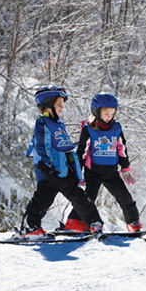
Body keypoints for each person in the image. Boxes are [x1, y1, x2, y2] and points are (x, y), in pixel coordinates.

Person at [19, 86, 104, 238]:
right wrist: (47, 167)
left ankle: (92, 222)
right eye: (59, 103)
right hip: (51, 172)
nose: (61, 107)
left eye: (62, 104)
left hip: (63, 171)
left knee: (78, 197)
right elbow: (42, 145)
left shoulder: (59, 124)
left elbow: (65, 148)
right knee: (43, 200)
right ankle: (30, 227)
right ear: (48, 103)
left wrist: (73, 167)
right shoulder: (43, 123)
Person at [62, 92, 143, 233]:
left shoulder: (116, 128)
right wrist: (77, 172)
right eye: (106, 113)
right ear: (96, 111)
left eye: (112, 113)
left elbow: (121, 148)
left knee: (125, 197)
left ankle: (133, 222)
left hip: (111, 172)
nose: (109, 116)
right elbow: (82, 151)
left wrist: (125, 167)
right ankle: (75, 222)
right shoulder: (89, 129)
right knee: (88, 199)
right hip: (93, 171)